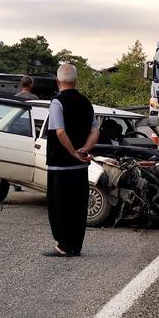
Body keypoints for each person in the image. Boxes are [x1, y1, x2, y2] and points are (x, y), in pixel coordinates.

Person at [43, 64, 99, 257]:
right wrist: (86, 148)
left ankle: (63, 245)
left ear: (58, 81)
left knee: (60, 205)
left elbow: (59, 131)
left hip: (60, 164)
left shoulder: (57, 103)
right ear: (76, 81)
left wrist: (73, 152)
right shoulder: (86, 102)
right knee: (78, 205)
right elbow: (95, 130)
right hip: (81, 165)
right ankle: (76, 245)